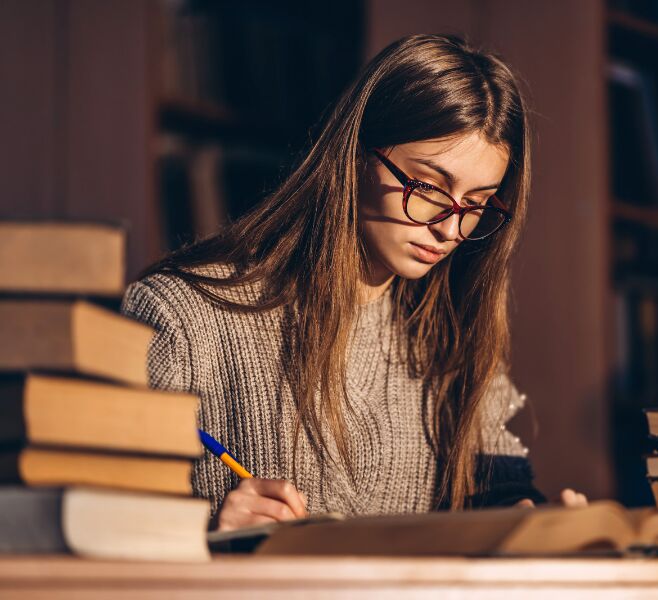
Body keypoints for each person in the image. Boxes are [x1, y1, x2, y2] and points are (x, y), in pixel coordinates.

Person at [121, 33, 587, 532]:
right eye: (428, 187)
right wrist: (205, 531)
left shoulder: (451, 335)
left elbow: (497, 496)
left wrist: (530, 523)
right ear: (357, 155)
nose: (451, 229)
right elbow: (96, 527)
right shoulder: (181, 316)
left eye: (475, 204)